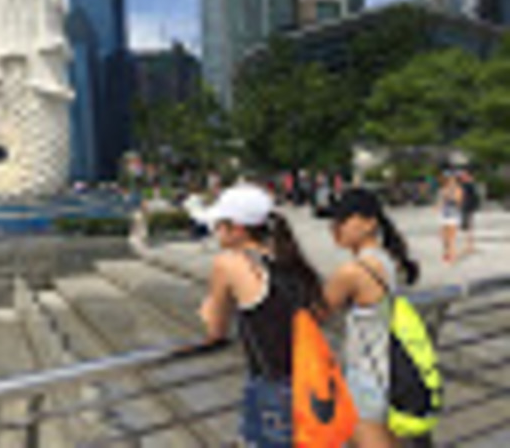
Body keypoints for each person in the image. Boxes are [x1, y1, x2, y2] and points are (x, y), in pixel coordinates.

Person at [198, 183, 327, 446]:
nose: (214, 232)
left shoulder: (229, 262)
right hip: (310, 384)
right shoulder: (287, 261)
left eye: (218, 225)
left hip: (272, 389)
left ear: (237, 229)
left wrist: (207, 310)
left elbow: (215, 328)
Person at [324, 188, 419, 448]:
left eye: (344, 219)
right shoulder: (391, 261)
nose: (335, 228)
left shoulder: (354, 271)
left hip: (367, 378)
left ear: (369, 223)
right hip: (395, 374)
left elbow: (316, 311)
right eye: (333, 221)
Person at [437, 171, 464, 263]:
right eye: (449, 180)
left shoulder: (458, 190)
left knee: (451, 237)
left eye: (453, 180)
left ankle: (452, 254)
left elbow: (458, 201)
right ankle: (446, 252)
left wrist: (449, 196)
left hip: (453, 214)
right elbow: (440, 201)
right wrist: (438, 206)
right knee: (443, 236)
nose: (451, 182)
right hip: (444, 214)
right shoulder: (443, 190)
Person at [458, 169, 480, 255]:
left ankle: (470, 246)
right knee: (467, 226)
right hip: (465, 206)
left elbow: (474, 196)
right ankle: (468, 246)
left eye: (463, 175)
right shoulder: (464, 184)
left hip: (468, 207)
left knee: (469, 226)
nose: (462, 177)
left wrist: (474, 206)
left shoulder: (470, 184)